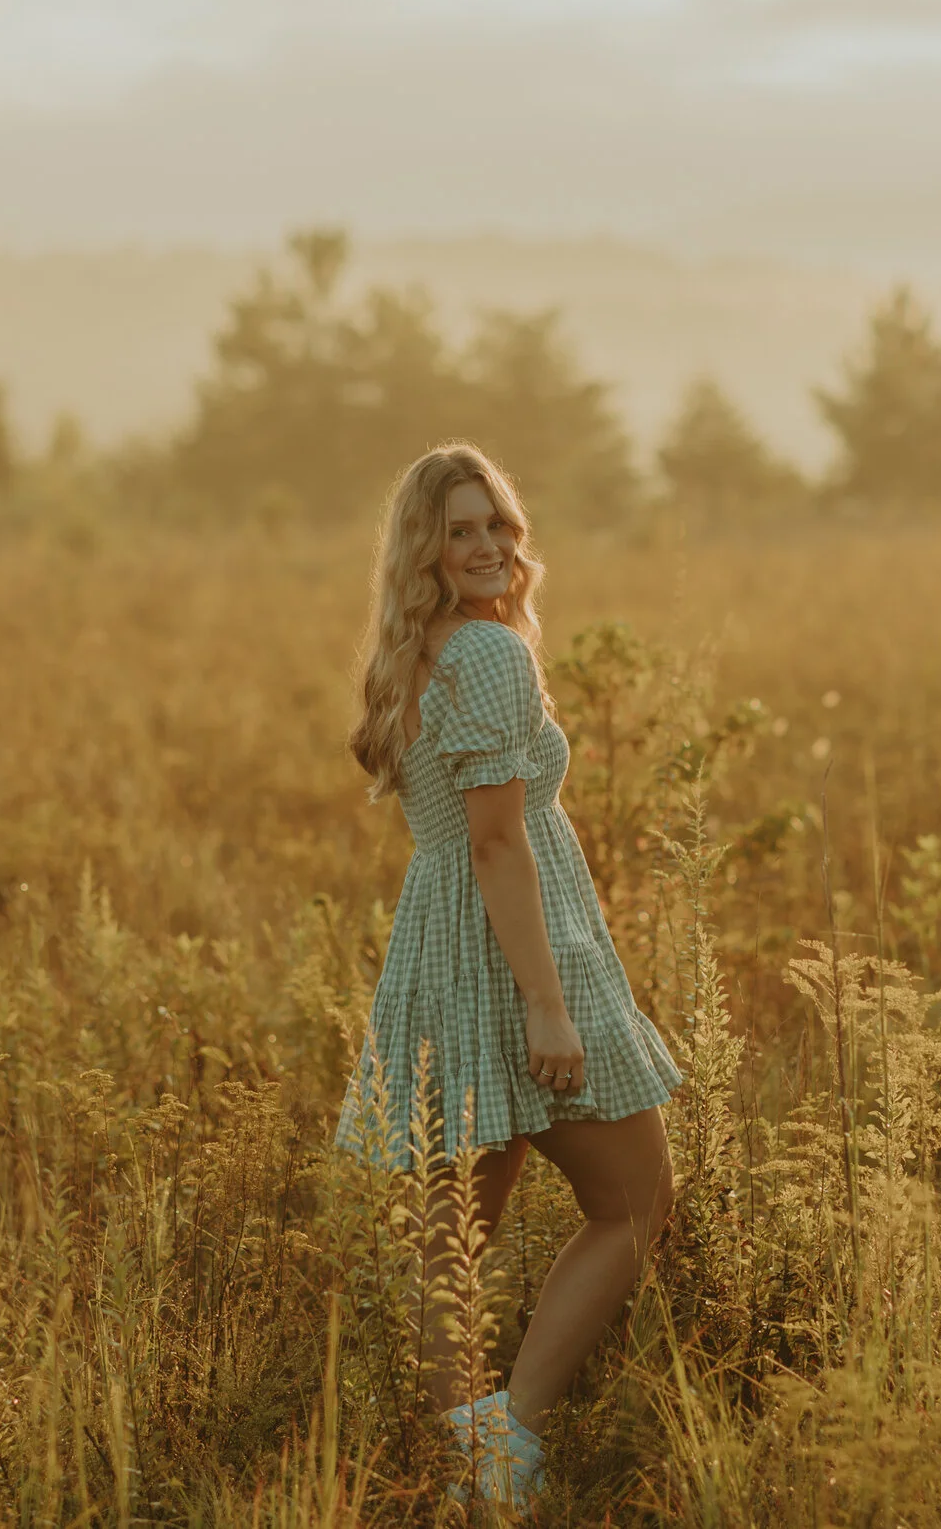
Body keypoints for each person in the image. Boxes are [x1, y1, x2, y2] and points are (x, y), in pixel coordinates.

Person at [333, 442, 682, 1507]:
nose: (487, 546)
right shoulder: (486, 655)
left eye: (497, 525)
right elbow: (496, 842)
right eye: (460, 529)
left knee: (451, 1237)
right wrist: (548, 1004)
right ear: (423, 547)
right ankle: (512, 1432)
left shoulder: (414, 652)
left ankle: (467, 1466)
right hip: (515, 948)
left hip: (439, 949)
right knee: (635, 1200)